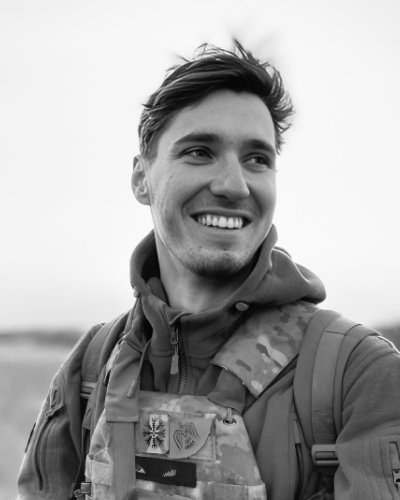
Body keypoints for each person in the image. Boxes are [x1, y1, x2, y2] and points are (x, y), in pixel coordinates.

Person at [17, 42, 400, 500]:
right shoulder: (92, 365)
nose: (234, 185)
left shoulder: (358, 374)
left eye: (257, 159)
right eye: (200, 152)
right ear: (141, 178)